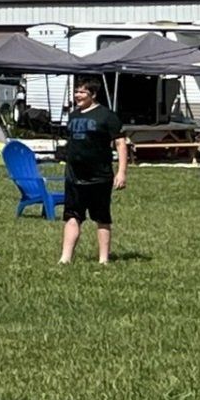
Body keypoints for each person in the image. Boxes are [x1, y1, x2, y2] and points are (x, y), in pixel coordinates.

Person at [58, 77, 128, 266]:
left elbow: (120, 143)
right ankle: (65, 258)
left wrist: (121, 172)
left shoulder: (107, 116)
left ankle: (103, 259)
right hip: (74, 176)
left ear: (93, 94)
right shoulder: (73, 116)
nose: (77, 95)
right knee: (72, 216)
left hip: (99, 176)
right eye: (76, 91)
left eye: (82, 92)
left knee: (102, 217)